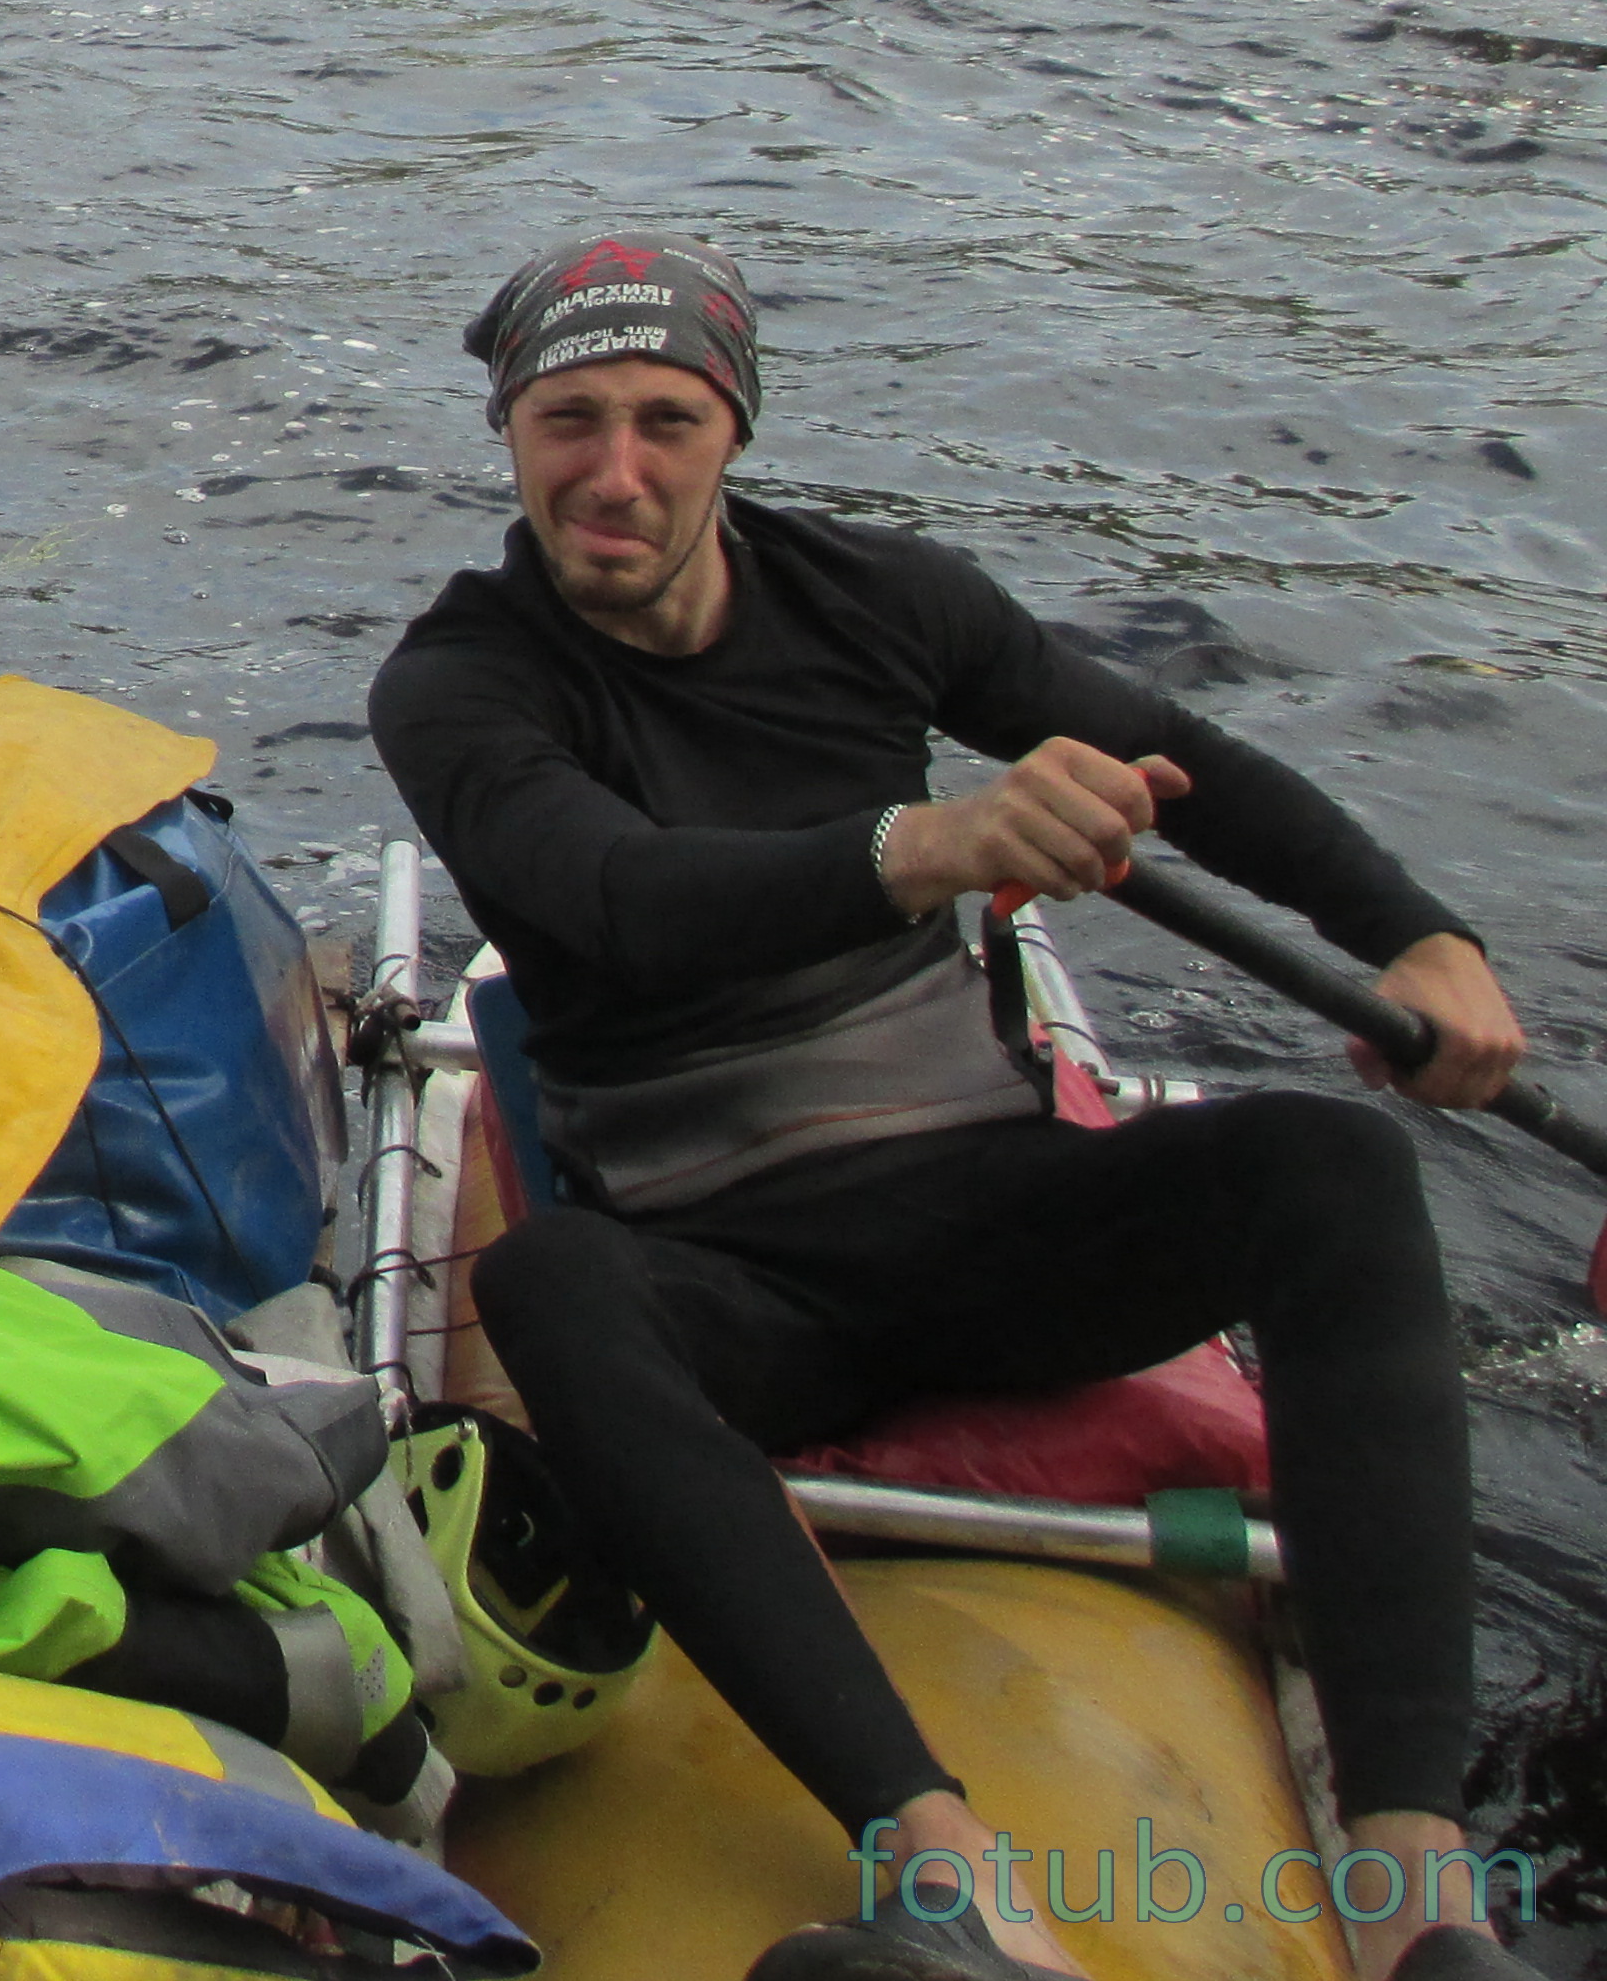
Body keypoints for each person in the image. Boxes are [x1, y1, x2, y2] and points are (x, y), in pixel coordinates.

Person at [364, 232, 1535, 1981]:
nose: (613, 473)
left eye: (664, 420)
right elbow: (611, 892)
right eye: (568, 420)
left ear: (732, 431)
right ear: (509, 434)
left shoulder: (878, 598)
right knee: (548, 1288)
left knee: (1334, 1160)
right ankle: (947, 1886)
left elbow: (1176, 759)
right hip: (728, 1280)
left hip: (993, 1221)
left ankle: (1417, 1905)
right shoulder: (455, 682)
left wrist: (1420, 941)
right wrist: (919, 850)